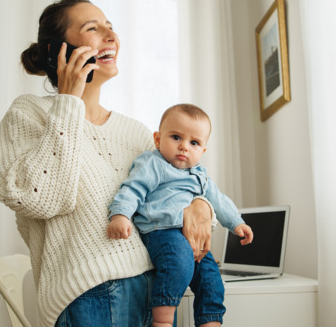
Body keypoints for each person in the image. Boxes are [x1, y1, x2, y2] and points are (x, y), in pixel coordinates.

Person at [0, 0, 215, 327]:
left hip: (158, 292)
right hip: (91, 297)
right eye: (93, 28)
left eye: (111, 27)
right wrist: (67, 101)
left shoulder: (137, 133)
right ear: (58, 51)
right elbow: (35, 198)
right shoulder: (29, 113)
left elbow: (173, 191)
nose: (112, 36)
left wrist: (200, 204)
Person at [107, 104, 254, 327]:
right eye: (176, 137)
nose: (184, 147)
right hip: (162, 231)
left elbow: (219, 200)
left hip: (193, 238)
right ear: (158, 139)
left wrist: (236, 223)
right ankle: (163, 320)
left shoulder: (200, 175)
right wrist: (120, 214)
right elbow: (133, 189)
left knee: (211, 277)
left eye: (194, 143)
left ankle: (210, 321)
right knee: (178, 264)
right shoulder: (154, 163)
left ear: (203, 151)